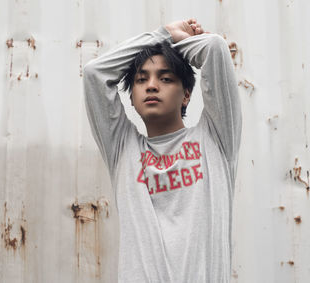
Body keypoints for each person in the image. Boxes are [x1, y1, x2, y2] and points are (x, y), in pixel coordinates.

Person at [83, 18, 242, 282]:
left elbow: (214, 47)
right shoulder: (122, 149)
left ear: (187, 94)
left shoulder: (216, 138)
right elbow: (94, 73)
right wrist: (163, 34)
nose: (152, 85)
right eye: (141, 80)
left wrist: (177, 43)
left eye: (166, 78)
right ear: (131, 99)